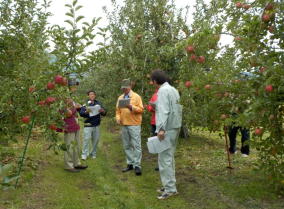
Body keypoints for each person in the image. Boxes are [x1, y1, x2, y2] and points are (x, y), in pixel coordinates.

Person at [151, 70, 182, 200]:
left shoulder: (162, 91)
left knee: (164, 159)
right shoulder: (173, 89)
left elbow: (164, 110)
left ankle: (170, 189)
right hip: (175, 126)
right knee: (170, 158)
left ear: (156, 80)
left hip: (167, 128)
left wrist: (161, 129)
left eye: (152, 80)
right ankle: (169, 185)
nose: (151, 83)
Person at [116, 79, 144, 176]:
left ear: (130, 87)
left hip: (134, 124)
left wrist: (131, 107)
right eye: (123, 88)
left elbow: (141, 109)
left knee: (136, 145)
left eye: (126, 88)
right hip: (124, 124)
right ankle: (130, 163)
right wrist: (118, 118)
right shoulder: (120, 97)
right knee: (126, 145)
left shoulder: (136, 97)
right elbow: (117, 111)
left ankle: (137, 165)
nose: (124, 90)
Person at [79, 90, 107, 160]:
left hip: (96, 124)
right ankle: (84, 154)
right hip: (88, 124)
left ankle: (93, 153)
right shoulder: (85, 104)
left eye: (93, 94)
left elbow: (104, 113)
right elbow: (81, 113)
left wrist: (103, 111)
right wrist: (86, 112)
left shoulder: (99, 103)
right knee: (86, 139)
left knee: (95, 140)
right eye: (90, 94)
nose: (92, 95)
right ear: (88, 96)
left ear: (95, 95)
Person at [62, 98, 88, 172]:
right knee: (69, 146)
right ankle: (68, 166)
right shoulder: (63, 100)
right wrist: (75, 107)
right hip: (69, 126)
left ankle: (76, 163)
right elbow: (68, 114)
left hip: (75, 125)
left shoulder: (71, 99)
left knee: (76, 146)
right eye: (74, 86)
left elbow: (75, 113)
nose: (75, 87)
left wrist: (77, 108)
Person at [146, 86, 160, 171]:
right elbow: (149, 107)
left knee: (162, 143)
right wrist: (152, 108)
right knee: (156, 142)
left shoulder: (166, 94)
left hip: (162, 122)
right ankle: (159, 163)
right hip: (154, 122)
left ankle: (161, 163)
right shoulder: (154, 95)